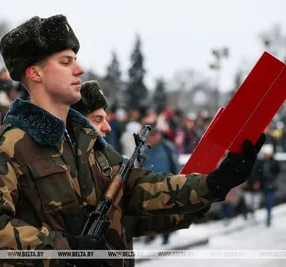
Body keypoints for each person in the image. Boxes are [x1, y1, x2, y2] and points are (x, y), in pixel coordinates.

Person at [0, 14, 265, 267]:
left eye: (75, 60)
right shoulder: (8, 145)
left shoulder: (85, 140)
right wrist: (67, 249)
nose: (79, 69)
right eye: (65, 62)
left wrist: (214, 183)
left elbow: (137, 190)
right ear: (35, 72)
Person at [71, 80, 210, 251]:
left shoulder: (106, 166)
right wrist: (70, 248)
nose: (107, 127)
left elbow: (130, 220)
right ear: (77, 124)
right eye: (97, 119)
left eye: (105, 119)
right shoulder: (66, 169)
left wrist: (191, 205)